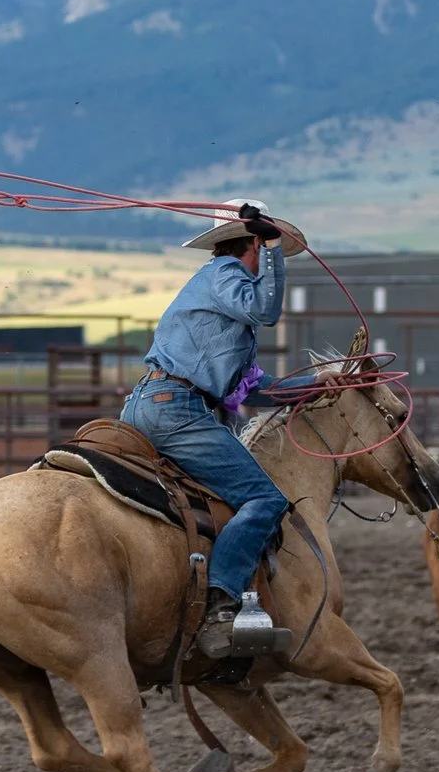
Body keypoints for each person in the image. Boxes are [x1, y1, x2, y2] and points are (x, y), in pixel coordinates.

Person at [122, 198, 310, 659]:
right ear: (251, 243)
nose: (271, 259)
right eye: (267, 248)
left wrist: (321, 384)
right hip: (178, 410)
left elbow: (251, 388)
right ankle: (220, 606)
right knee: (264, 499)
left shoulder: (218, 291)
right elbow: (266, 310)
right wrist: (268, 244)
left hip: (154, 404)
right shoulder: (227, 276)